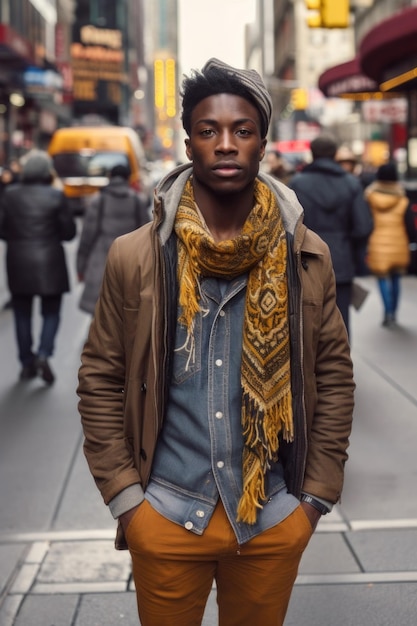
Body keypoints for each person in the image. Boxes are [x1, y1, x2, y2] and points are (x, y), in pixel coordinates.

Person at [77, 58, 355, 626]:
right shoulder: (136, 256)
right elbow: (100, 379)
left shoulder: (306, 255)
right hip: (166, 514)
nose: (225, 144)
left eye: (241, 131)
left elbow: (333, 378)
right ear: (189, 143)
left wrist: (312, 502)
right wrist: (129, 502)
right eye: (209, 131)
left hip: (273, 516)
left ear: (262, 143)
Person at [0, 149, 76, 383]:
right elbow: (68, 232)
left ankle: (26, 362)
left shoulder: (10, 195)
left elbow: (2, 229)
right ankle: (44, 354)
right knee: (51, 312)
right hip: (50, 262)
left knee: (22, 314)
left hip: (18, 261)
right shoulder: (56, 196)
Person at [290, 134, 373, 337]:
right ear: (335, 154)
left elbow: (289, 224)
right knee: (340, 319)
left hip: (305, 259)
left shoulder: (297, 183)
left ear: (312, 153)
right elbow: (363, 226)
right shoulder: (351, 183)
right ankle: (338, 366)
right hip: (341, 258)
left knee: (304, 318)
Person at [76, 163, 150, 315]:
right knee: (127, 319)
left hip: (101, 264)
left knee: (100, 319)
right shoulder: (137, 202)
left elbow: (87, 237)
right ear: (128, 178)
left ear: (110, 177)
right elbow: (147, 237)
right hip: (130, 265)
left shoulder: (99, 201)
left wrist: (80, 267)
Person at [364, 161, 411, 327]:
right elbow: (410, 225)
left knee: (382, 278)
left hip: (377, 241)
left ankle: (387, 312)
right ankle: (394, 312)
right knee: (396, 278)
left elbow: (365, 222)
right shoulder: (403, 198)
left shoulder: (369, 196)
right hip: (399, 241)